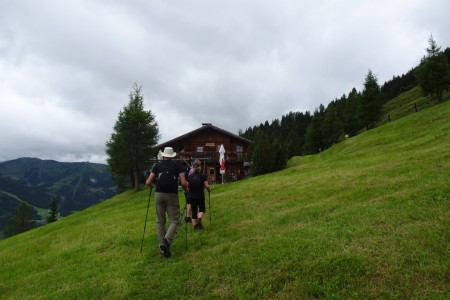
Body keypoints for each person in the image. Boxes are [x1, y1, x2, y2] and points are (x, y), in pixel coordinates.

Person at [146, 147, 188, 258]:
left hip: (158, 194)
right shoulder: (177, 166)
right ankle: (166, 242)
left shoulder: (157, 165)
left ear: (164, 155)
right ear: (172, 155)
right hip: (172, 195)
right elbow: (183, 182)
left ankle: (162, 246)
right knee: (174, 220)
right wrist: (186, 190)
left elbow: (148, 182)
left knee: (160, 221)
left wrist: (153, 186)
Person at [187, 162, 211, 230]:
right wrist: (209, 190)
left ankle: (195, 227)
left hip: (192, 196)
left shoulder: (189, 177)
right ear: (199, 168)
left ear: (193, 168)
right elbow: (206, 186)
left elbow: (188, 187)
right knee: (202, 209)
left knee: (194, 211)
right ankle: (199, 219)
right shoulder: (203, 176)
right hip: (200, 195)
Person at [184, 159, 201, 224]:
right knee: (190, 203)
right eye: (199, 164)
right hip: (190, 189)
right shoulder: (191, 171)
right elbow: (190, 180)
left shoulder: (190, 170)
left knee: (188, 203)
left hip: (188, 189)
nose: (200, 166)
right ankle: (187, 217)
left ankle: (187, 216)